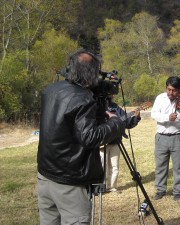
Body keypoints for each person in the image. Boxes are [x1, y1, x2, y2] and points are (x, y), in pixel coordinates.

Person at [37, 49, 125, 224]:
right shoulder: (83, 98)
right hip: (70, 181)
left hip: (45, 175)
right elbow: (90, 137)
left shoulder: (51, 89)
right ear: (92, 72)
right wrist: (116, 123)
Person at [151, 76, 180, 201]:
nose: (171, 93)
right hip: (162, 137)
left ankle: (177, 191)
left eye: (174, 90)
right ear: (166, 88)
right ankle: (160, 190)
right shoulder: (160, 98)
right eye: (169, 89)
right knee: (160, 166)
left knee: (179, 166)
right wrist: (167, 117)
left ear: (179, 90)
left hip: (178, 137)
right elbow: (153, 114)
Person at [100, 95, 141, 193]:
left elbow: (126, 122)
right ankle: (100, 188)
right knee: (101, 166)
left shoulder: (115, 107)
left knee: (115, 166)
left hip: (115, 141)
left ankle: (112, 187)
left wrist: (136, 117)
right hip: (102, 142)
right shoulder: (98, 106)